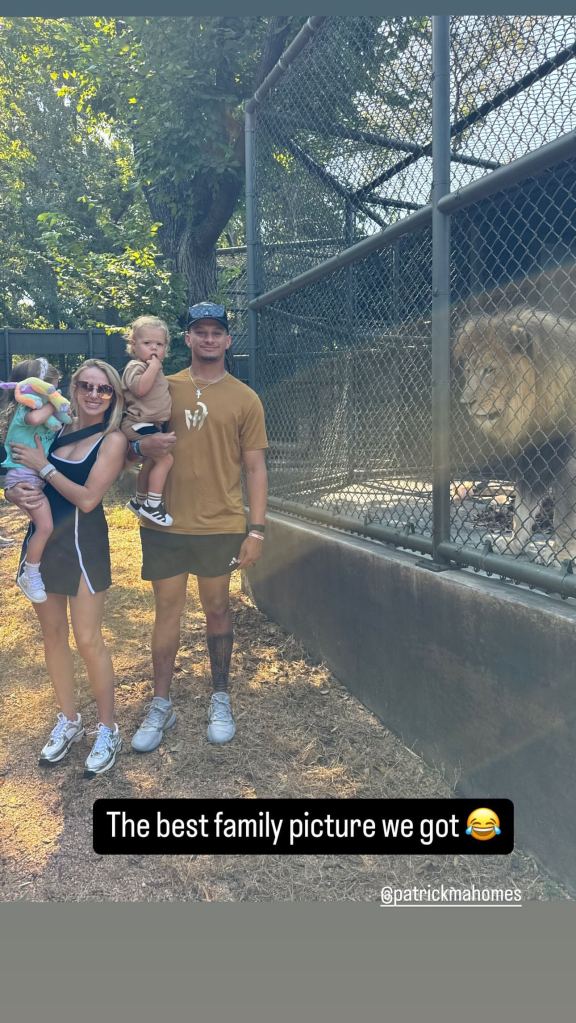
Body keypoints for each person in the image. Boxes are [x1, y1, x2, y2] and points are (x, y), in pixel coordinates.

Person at [130, 301, 268, 752]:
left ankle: (221, 697)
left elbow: (255, 468)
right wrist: (140, 446)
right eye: (199, 331)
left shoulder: (246, 398)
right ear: (186, 338)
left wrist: (257, 528)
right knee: (167, 612)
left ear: (228, 340)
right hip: (165, 524)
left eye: (217, 332)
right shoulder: (162, 389)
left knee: (217, 610)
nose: (209, 339)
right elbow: (130, 444)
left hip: (220, 524)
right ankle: (160, 704)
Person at [4, 359, 127, 777]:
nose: (95, 395)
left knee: (88, 638)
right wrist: (16, 492)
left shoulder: (113, 440)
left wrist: (44, 466)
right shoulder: (55, 427)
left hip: (84, 545)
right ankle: (69, 719)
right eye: (87, 386)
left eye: (104, 389)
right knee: (53, 635)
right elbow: (23, 475)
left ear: (113, 396)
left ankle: (108, 728)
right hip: (43, 544)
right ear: (72, 389)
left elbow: (89, 499)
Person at [1, 358, 67, 602]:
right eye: (52, 388)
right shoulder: (25, 412)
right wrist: (55, 401)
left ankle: (33, 570)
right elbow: (36, 420)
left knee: (45, 526)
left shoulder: (40, 414)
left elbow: (56, 423)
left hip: (33, 477)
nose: (57, 393)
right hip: (24, 479)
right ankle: (30, 573)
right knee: (45, 526)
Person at [120, 315, 173, 527]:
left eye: (159, 344)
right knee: (166, 459)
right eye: (147, 343)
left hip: (149, 425)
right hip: (137, 424)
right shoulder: (136, 367)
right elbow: (140, 389)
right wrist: (153, 367)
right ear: (134, 345)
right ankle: (152, 505)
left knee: (152, 461)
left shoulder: (153, 369)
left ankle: (138, 501)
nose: (154, 349)